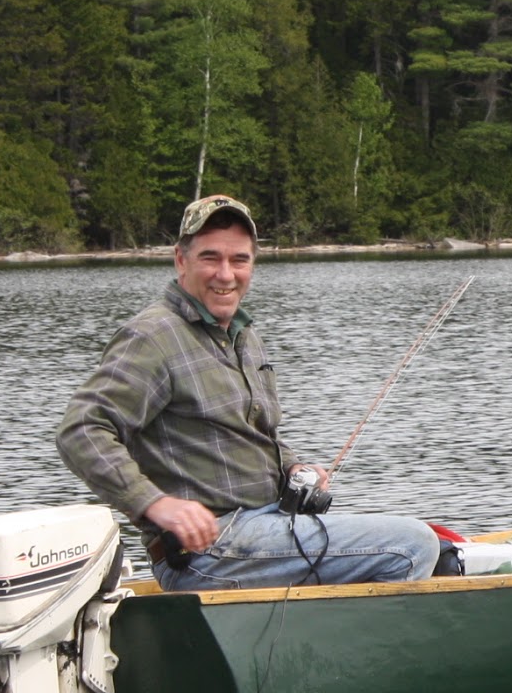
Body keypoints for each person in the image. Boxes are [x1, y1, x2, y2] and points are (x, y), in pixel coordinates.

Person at [56, 194, 443, 591]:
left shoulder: (242, 334)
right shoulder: (153, 336)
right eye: (211, 258)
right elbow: (81, 430)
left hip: (267, 527)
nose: (226, 274)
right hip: (208, 552)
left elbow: (253, 431)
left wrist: (292, 467)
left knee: (443, 549)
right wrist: (157, 504)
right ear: (180, 260)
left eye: (239, 260)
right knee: (411, 546)